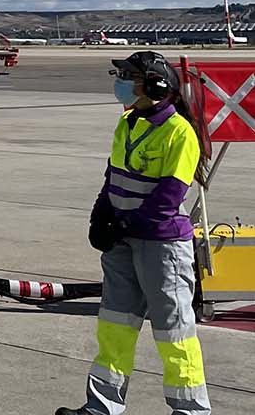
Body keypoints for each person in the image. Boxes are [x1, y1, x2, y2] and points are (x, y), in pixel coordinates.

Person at [57, 50, 209, 415]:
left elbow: (168, 197)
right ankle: (101, 406)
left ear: (155, 87)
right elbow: (113, 177)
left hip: (161, 245)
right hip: (123, 241)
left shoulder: (179, 133)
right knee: (115, 324)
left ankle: (190, 410)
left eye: (128, 77)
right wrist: (100, 216)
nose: (121, 83)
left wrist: (121, 225)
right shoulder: (127, 124)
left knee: (174, 330)